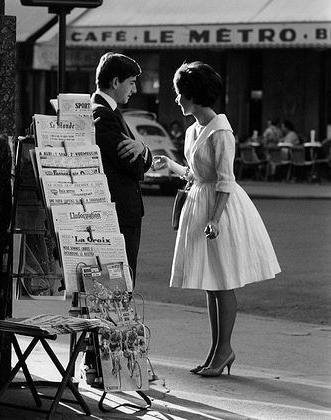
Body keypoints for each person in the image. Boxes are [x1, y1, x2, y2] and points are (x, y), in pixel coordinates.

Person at [153, 61, 281, 377]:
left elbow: (225, 180)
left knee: (222, 281)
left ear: (193, 95)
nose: (176, 99)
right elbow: (197, 174)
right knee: (211, 283)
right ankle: (216, 351)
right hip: (202, 200)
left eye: (179, 93)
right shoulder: (194, 129)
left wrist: (216, 218)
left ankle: (224, 350)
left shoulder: (221, 132)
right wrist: (170, 165)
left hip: (218, 208)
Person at [91, 52, 153, 286]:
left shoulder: (108, 111)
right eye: (131, 82)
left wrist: (143, 149)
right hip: (119, 212)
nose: (134, 90)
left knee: (120, 279)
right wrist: (142, 153)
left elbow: (140, 157)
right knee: (120, 281)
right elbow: (134, 164)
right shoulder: (102, 113)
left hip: (122, 211)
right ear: (115, 82)